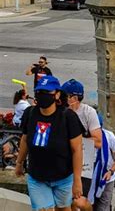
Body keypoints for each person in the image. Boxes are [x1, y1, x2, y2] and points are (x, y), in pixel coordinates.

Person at [15, 75, 83, 211]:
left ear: (57, 95)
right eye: (39, 93)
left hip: (63, 176)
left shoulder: (68, 117)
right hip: (37, 177)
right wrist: (19, 163)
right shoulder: (30, 113)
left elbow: (77, 150)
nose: (42, 96)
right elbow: (25, 139)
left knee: (63, 208)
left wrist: (77, 180)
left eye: (47, 93)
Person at [62, 79, 102, 198]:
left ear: (73, 98)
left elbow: (99, 141)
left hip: (85, 164)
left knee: (79, 200)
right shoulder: (60, 111)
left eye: (64, 96)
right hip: (64, 161)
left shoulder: (89, 113)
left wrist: (74, 140)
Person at [90, 114, 115, 211]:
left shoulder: (109, 137)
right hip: (88, 180)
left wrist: (111, 171)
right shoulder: (83, 139)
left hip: (106, 179)